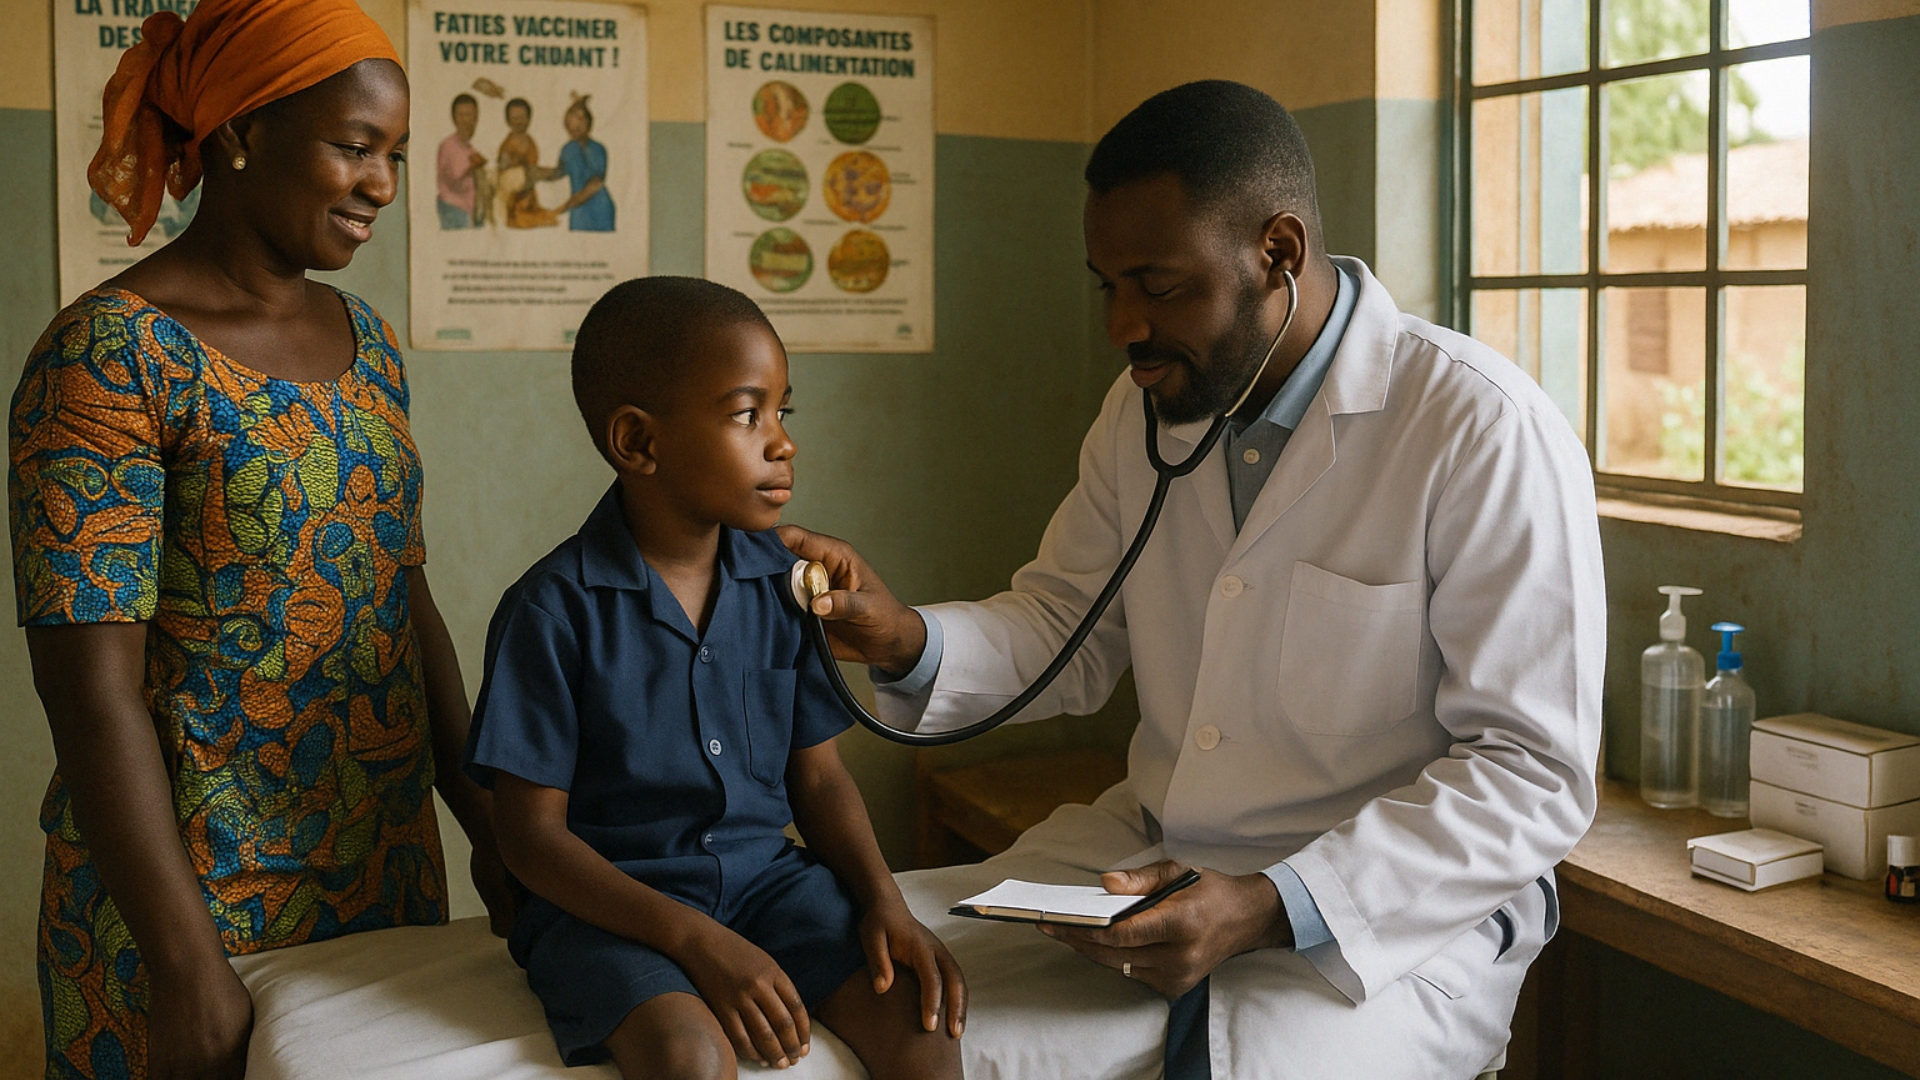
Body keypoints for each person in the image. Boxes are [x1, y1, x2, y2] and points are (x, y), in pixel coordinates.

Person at [781, 80, 1605, 1078]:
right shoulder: (1146, 413)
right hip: (1145, 858)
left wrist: (1269, 904)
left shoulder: (1477, 429)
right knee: (861, 969)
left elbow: (1530, 772)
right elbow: (1062, 625)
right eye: (1107, 285)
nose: (1123, 325)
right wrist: (903, 638)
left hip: (1392, 925)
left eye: (1157, 285)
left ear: (1279, 253)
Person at [12, 2, 512, 1077]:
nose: (383, 184)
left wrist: (491, 825)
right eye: (353, 147)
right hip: (187, 904)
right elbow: (89, 689)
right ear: (240, 136)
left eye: (394, 154)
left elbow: (400, 601)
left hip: (379, 879)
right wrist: (185, 962)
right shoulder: (109, 356)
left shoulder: (367, 343)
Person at [462, 277, 965, 1079]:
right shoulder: (552, 611)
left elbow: (821, 778)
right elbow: (530, 839)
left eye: (782, 412)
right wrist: (696, 940)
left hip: (767, 885)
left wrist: (884, 900)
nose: (782, 442)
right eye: (746, 414)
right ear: (639, 443)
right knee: (690, 1058)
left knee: (920, 1020)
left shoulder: (784, 584)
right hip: (614, 910)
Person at [552, 93, 615, 232]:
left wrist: (564, 207)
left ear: (589, 123)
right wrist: (530, 172)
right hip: (578, 211)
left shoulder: (597, 149)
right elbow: (557, 173)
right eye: (573, 122)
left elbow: (594, 185)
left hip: (598, 209)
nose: (576, 126)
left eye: (582, 120)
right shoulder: (568, 149)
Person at [496, 97, 558, 229]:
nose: (518, 122)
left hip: (528, 193)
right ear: (507, 120)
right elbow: (503, 169)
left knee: (549, 219)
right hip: (512, 194)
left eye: (522, 117)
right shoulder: (507, 144)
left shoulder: (531, 141)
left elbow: (532, 165)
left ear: (529, 119)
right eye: (515, 118)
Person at [436, 92, 486, 229]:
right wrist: (472, 165)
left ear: (476, 118)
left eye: (470, 115)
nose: (466, 120)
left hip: (468, 210)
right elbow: (453, 178)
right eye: (461, 115)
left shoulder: (470, 149)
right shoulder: (447, 145)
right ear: (453, 118)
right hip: (453, 209)